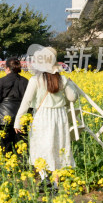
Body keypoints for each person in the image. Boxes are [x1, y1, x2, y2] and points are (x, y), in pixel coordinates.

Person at [14, 47, 79, 192]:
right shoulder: (62, 79)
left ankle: (44, 178)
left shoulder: (35, 79)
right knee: (57, 147)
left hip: (42, 116)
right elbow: (72, 97)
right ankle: (56, 184)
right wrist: (70, 83)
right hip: (59, 117)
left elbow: (26, 102)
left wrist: (18, 120)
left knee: (39, 147)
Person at [0, 58, 29, 154]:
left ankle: (7, 167)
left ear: (7, 68)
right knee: (21, 148)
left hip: (3, 119)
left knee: (5, 147)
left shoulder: (2, 81)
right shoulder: (25, 81)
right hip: (20, 118)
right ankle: (22, 167)